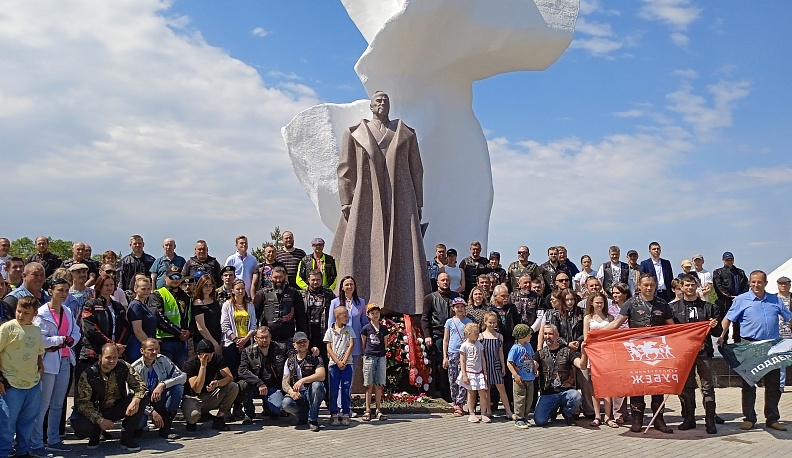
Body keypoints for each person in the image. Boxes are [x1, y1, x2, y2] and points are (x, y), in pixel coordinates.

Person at [332, 90, 430, 315]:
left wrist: (418, 203)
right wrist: (346, 201)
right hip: (367, 196)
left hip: (400, 197)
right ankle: (360, 302)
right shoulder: (355, 133)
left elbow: (417, 170)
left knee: (402, 246)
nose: (382, 103)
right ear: (371, 106)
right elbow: (345, 169)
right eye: (378, 100)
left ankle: (403, 302)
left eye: (386, 100)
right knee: (363, 245)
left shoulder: (405, 133)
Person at [717, 270, 791, 431]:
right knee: (749, 384)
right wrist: (721, 335)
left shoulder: (775, 300)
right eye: (753, 282)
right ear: (750, 283)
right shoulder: (741, 300)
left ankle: (772, 418)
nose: (756, 285)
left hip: (772, 347)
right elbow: (728, 319)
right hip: (750, 346)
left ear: (765, 283)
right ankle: (749, 418)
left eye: (759, 282)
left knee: (774, 384)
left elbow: (789, 318)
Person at [605, 273, 675, 433]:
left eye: (652, 284)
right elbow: (616, 324)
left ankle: (659, 420)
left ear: (656, 285)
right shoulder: (630, 303)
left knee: (657, 386)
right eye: (646, 285)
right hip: (637, 352)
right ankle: (637, 420)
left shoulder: (663, 304)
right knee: (637, 386)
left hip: (657, 353)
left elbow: (673, 328)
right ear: (639, 286)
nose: (649, 288)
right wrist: (595, 333)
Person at [31, 279, 81, 455]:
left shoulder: (67, 311)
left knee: (58, 404)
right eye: (60, 290)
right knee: (43, 404)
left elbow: (76, 332)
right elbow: (40, 339)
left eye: (67, 290)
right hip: (48, 362)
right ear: (50, 291)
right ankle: (36, 443)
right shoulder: (41, 313)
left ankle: (53, 439)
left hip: (66, 360)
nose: (64, 293)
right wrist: (61, 340)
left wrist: (69, 341)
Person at [72, 343, 148, 451]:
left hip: (115, 407)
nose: (112, 361)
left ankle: (127, 436)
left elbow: (140, 385)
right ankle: (95, 434)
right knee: (82, 428)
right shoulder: (88, 374)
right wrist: (99, 420)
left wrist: (135, 400)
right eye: (108, 358)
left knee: (142, 397)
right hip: (96, 411)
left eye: (115, 357)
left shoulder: (124, 367)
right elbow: (82, 403)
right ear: (100, 357)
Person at [670, 274, 720, 434]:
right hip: (684, 355)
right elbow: (671, 333)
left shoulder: (709, 307)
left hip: (704, 353)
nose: (690, 288)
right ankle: (689, 418)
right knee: (687, 387)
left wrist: (713, 326)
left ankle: (710, 420)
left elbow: (717, 332)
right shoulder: (674, 309)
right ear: (681, 287)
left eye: (692, 285)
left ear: (696, 286)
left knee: (707, 387)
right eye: (686, 285)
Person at [0, 297, 45, 458]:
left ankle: (23, 450)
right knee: (7, 421)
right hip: (11, 383)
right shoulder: (8, 328)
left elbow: (38, 352)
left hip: (32, 383)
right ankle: (3, 451)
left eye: (26, 313)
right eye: (19, 311)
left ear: (34, 313)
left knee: (27, 420)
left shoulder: (36, 330)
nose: (20, 315)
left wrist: (41, 368)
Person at [130, 338, 186, 439]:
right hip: (143, 405)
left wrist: (163, 384)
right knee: (139, 425)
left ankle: (166, 427)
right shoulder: (135, 368)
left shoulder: (163, 360)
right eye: (151, 350)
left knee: (177, 388)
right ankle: (140, 428)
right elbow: (131, 395)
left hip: (159, 399)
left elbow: (182, 377)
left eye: (156, 349)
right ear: (142, 351)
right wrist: (151, 412)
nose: (155, 352)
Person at [533, 324, 584, 426]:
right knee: (539, 421)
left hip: (565, 391)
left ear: (557, 335)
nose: (547, 336)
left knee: (576, 396)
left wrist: (584, 352)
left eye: (550, 334)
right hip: (548, 393)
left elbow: (581, 365)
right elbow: (533, 366)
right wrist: (533, 368)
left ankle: (567, 413)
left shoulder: (567, 351)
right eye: (545, 334)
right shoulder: (540, 353)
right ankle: (552, 411)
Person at [181, 339, 239, 432]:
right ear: (199, 354)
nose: (208, 358)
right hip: (193, 398)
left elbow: (230, 378)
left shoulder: (217, 358)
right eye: (205, 355)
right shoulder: (190, 364)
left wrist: (217, 383)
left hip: (210, 396)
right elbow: (197, 389)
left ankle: (219, 418)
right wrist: (203, 366)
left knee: (233, 386)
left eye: (210, 355)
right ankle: (193, 420)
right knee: (193, 417)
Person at [220, 279, 256, 417]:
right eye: (238, 289)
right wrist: (236, 340)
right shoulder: (227, 305)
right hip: (231, 345)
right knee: (232, 376)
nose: (240, 291)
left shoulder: (250, 306)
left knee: (244, 375)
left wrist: (245, 339)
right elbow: (225, 326)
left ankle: (239, 406)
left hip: (247, 344)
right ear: (233, 291)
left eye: (242, 288)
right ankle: (227, 406)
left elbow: (254, 325)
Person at [421, 272, 458, 401]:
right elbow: (425, 319)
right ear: (437, 282)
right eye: (442, 280)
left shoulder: (457, 297)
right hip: (438, 336)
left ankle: (452, 393)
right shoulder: (430, 298)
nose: (445, 282)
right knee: (440, 366)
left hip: (455, 337)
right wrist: (427, 336)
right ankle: (442, 393)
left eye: (447, 280)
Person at [581, 291, 617, 428]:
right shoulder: (588, 318)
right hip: (594, 355)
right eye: (597, 302)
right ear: (591, 303)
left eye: (602, 302)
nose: (600, 305)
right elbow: (586, 338)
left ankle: (608, 416)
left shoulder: (610, 317)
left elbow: (613, 337)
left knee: (607, 386)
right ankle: (597, 416)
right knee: (595, 387)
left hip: (607, 355)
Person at [238, 326, 287, 422]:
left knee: (278, 409)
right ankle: (249, 413)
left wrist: (312, 351)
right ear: (255, 338)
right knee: (243, 385)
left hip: (272, 386)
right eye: (261, 337)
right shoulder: (247, 351)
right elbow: (242, 370)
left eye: (267, 337)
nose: (265, 340)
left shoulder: (281, 348)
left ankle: (269, 408)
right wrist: (259, 383)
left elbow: (295, 356)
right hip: (255, 386)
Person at [282, 332, 325, 432]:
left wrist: (303, 380)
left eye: (304, 341)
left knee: (317, 386)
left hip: (310, 392)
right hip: (298, 394)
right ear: (294, 345)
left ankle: (313, 420)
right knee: (286, 403)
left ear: (308, 342)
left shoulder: (315, 357)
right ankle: (303, 416)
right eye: (299, 342)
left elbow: (321, 375)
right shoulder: (289, 360)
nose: (302, 344)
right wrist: (291, 392)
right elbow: (284, 382)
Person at [149, 265, 191, 369]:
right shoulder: (158, 294)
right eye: (172, 277)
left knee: (179, 373)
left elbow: (189, 317)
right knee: (164, 373)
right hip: (165, 341)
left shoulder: (185, 296)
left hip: (181, 342)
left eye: (178, 277)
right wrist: (178, 332)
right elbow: (158, 317)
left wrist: (189, 331)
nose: (175, 280)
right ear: (165, 277)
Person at [255, 266, 307, 345]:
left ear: (285, 277)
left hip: (289, 338)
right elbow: (255, 316)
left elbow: (301, 317)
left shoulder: (294, 293)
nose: (278, 280)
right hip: (267, 340)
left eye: (281, 277)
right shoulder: (262, 293)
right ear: (270, 277)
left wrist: (301, 337)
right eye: (275, 277)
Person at [324, 305, 355, 426]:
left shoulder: (349, 329)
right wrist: (337, 361)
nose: (347, 318)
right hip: (333, 365)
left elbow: (351, 344)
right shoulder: (330, 331)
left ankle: (346, 412)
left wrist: (345, 360)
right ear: (337, 316)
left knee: (346, 388)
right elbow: (328, 347)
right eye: (345, 315)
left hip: (347, 364)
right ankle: (333, 413)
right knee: (334, 389)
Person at [480, 311, 513, 420]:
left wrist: (503, 365)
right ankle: (488, 410)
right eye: (490, 322)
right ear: (485, 322)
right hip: (485, 365)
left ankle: (508, 411)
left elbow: (500, 352)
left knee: (501, 387)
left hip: (496, 364)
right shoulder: (481, 336)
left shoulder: (499, 336)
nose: (492, 325)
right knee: (487, 389)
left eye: (494, 322)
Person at [302, 269, 335, 372]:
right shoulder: (301, 295)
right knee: (308, 363)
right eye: (313, 280)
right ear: (308, 280)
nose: (315, 282)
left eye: (318, 279)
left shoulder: (329, 294)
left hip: (323, 333)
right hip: (308, 333)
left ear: (322, 280)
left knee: (325, 362)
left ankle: (326, 387)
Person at [443, 297, 471, 416]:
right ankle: (454, 400)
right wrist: (445, 356)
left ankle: (460, 403)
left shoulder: (468, 321)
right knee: (452, 378)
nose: (460, 309)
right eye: (457, 307)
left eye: (462, 307)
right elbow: (446, 339)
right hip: (452, 352)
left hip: (464, 353)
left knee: (463, 377)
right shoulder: (449, 322)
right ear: (453, 308)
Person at [360, 303, 388, 422]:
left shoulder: (383, 328)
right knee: (368, 384)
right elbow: (363, 343)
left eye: (377, 313)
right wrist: (366, 354)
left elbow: (386, 343)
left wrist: (382, 352)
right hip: (369, 357)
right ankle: (367, 409)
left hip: (380, 357)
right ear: (368, 315)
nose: (375, 315)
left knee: (378, 384)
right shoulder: (366, 328)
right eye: (372, 313)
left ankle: (378, 409)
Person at [713, 251, 749, 343]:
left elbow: (746, 285)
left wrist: (739, 297)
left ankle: (737, 343)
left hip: (738, 301)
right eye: (727, 260)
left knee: (738, 324)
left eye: (731, 259)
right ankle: (723, 343)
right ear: (723, 260)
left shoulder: (740, 272)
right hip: (724, 302)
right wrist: (729, 296)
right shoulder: (718, 272)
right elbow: (718, 287)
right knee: (724, 324)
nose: (729, 261)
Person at [458, 321, 488, 423]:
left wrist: (485, 372)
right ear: (469, 333)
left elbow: (483, 358)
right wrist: (464, 375)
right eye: (475, 333)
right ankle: (471, 413)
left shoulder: (479, 344)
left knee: (482, 393)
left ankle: (483, 413)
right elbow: (462, 361)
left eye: (478, 333)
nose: (477, 335)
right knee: (471, 393)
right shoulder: (464, 346)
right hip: (469, 372)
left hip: (479, 372)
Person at [508, 324, 535, 429]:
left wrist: (535, 369)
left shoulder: (528, 346)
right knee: (520, 398)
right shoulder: (515, 348)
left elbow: (531, 358)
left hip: (530, 377)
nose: (531, 336)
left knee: (529, 399)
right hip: (519, 378)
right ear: (522, 336)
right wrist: (515, 375)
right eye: (529, 335)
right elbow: (509, 363)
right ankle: (519, 418)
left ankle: (525, 417)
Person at [192, 274, 223, 355]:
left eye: (210, 285)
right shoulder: (197, 303)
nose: (208, 288)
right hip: (204, 342)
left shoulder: (215, 301)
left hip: (218, 338)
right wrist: (214, 343)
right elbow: (201, 328)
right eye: (206, 285)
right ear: (200, 286)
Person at [127, 277, 156, 359]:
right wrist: (150, 345)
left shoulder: (144, 305)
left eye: (148, 289)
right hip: (139, 344)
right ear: (135, 288)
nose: (146, 291)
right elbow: (137, 331)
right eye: (143, 289)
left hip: (146, 342)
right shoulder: (136, 305)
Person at [777, 276, 792, 391]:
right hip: (777, 334)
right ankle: (780, 385)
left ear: (789, 285)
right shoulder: (773, 298)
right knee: (780, 361)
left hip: (790, 333)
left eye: (785, 284)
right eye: (781, 284)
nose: (783, 286)